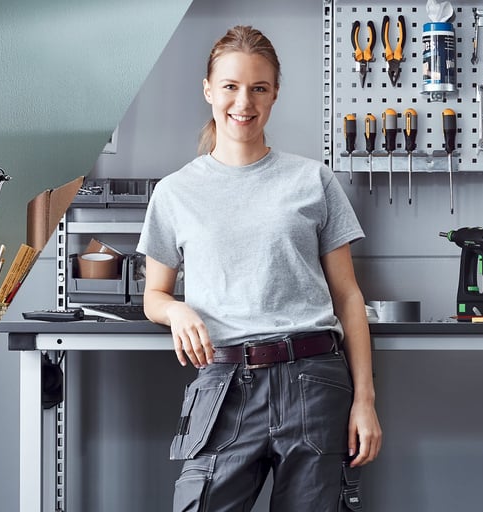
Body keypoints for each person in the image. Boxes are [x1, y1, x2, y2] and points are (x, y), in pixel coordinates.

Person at [137, 25, 382, 511]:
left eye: (258, 88)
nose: (242, 102)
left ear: (274, 94)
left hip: (313, 381)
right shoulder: (175, 192)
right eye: (230, 86)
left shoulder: (312, 180)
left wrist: (365, 401)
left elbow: (349, 297)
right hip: (222, 386)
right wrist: (177, 312)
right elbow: (155, 296)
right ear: (208, 90)